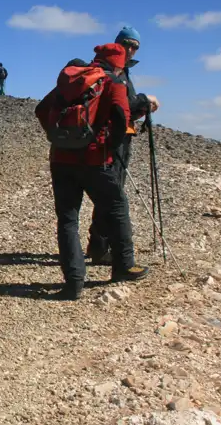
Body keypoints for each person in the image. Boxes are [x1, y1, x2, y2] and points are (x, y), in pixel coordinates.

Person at [35, 43, 150, 300]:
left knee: (68, 219)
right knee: (116, 206)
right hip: (95, 159)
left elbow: (41, 110)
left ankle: (73, 284)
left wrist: (59, 138)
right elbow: (121, 115)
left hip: (61, 159)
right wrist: (109, 146)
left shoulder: (71, 81)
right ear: (118, 63)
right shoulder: (113, 82)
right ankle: (123, 266)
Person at [86, 27, 161, 263]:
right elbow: (122, 105)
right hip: (112, 142)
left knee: (110, 193)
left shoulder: (120, 71)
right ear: (118, 44)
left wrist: (140, 106)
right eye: (128, 44)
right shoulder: (113, 73)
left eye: (135, 46)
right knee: (112, 194)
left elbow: (125, 107)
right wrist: (144, 100)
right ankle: (100, 247)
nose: (131, 49)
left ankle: (98, 245)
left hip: (115, 139)